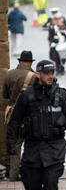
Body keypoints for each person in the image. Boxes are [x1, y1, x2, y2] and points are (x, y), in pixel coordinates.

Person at [7, 60, 66, 190]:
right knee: (29, 181)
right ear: (38, 74)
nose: (50, 76)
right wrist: (11, 144)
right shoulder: (27, 95)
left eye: (52, 73)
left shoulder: (61, 95)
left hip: (55, 149)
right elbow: (15, 121)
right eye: (47, 73)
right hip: (33, 148)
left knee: (50, 183)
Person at [2, 51, 36, 181]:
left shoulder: (9, 74)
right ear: (30, 62)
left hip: (12, 113)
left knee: (15, 144)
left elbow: (4, 95)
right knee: (31, 143)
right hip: (28, 114)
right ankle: (28, 173)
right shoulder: (33, 77)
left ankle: (13, 174)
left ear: (20, 61)